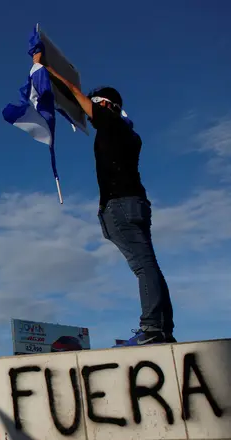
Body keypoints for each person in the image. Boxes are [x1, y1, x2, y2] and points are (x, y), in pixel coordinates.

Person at [32, 51, 175, 345]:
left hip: (120, 206)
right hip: (137, 204)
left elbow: (75, 92)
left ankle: (153, 329)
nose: (87, 110)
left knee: (143, 267)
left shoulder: (109, 121)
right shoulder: (130, 134)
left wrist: (44, 67)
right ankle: (163, 329)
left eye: (93, 105)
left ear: (106, 105)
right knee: (150, 265)